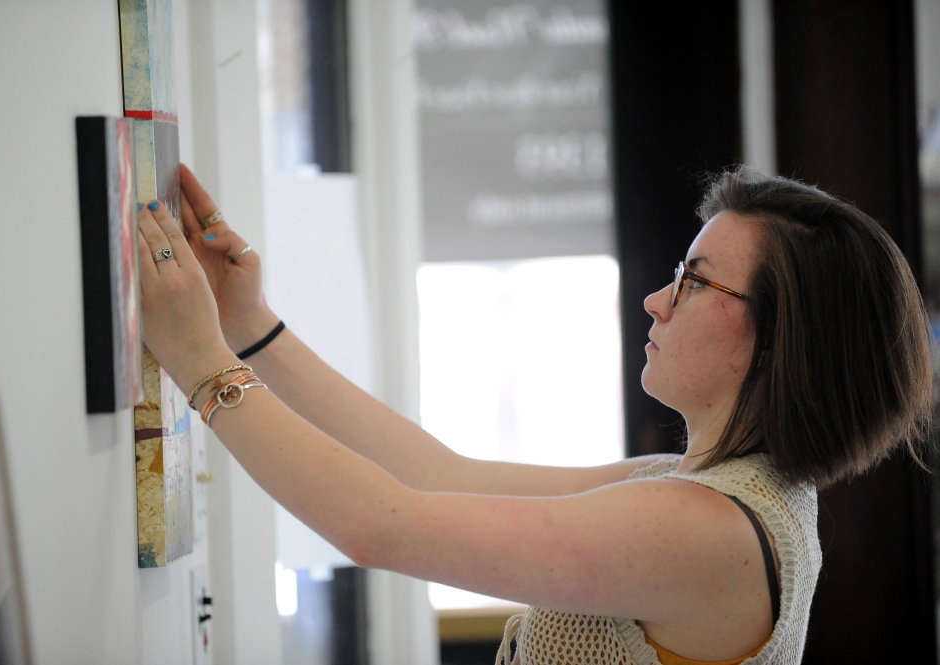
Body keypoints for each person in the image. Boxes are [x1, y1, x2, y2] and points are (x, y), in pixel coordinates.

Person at [136, 165, 931, 665]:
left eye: (694, 281)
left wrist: (203, 362)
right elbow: (434, 476)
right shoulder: (699, 491)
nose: (658, 300)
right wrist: (248, 328)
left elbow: (380, 525)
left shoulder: (708, 528)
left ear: (777, 336)